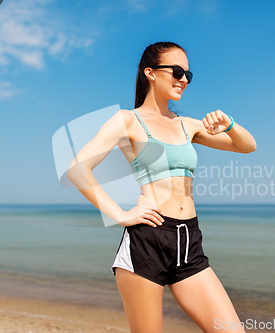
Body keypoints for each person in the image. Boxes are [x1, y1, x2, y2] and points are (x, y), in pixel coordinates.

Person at [67, 41, 256, 333]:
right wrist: (120, 214)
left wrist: (228, 123)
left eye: (188, 75)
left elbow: (247, 147)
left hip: (189, 242)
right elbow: (77, 170)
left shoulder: (188, 125)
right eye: (177, 71)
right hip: (147, 241)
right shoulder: (127, 121)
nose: (183, 79)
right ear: (150, 73)